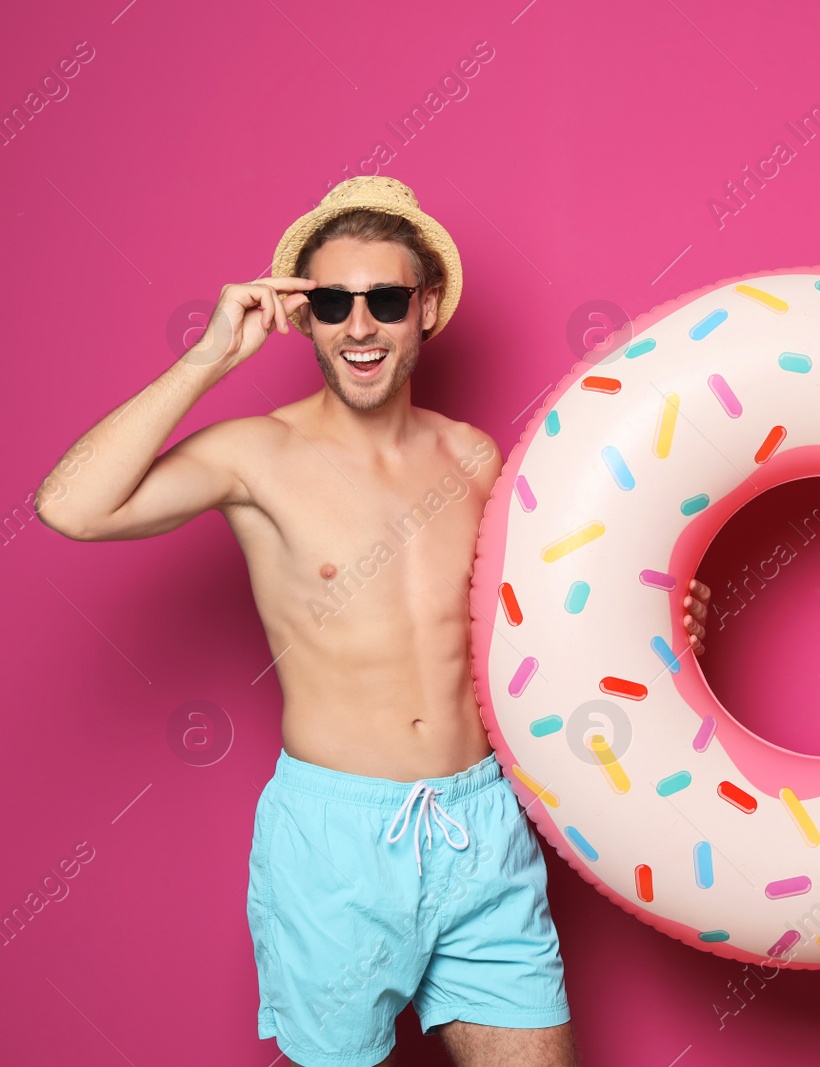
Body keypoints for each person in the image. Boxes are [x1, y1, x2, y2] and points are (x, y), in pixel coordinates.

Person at [35, 175, 712, 1067]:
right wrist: (207, 360)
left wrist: (659, 621)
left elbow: (539, 626)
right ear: (303, 316)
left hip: (484, 827)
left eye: (385, 299)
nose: (359, 326)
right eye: (332, 302)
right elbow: (69, 507)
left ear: (424, 308)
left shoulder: (471, 457)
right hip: (336, 844)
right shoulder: (254, 455)